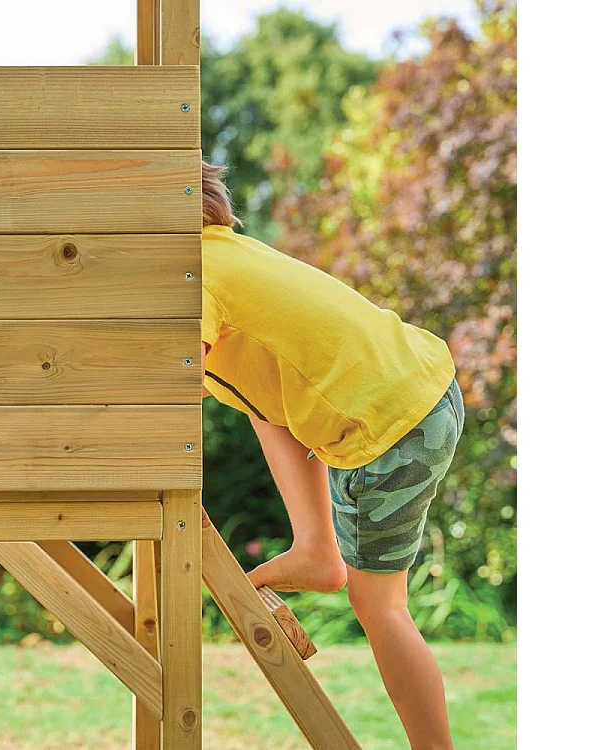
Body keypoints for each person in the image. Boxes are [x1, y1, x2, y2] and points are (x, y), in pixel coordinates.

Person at [200, 161, 464, 750]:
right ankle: (316, 547)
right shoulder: (228, 252)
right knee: (259, 393)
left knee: (380, 606)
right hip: (418, 390)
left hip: (389, 421)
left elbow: (170, 377)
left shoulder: (196, 274)